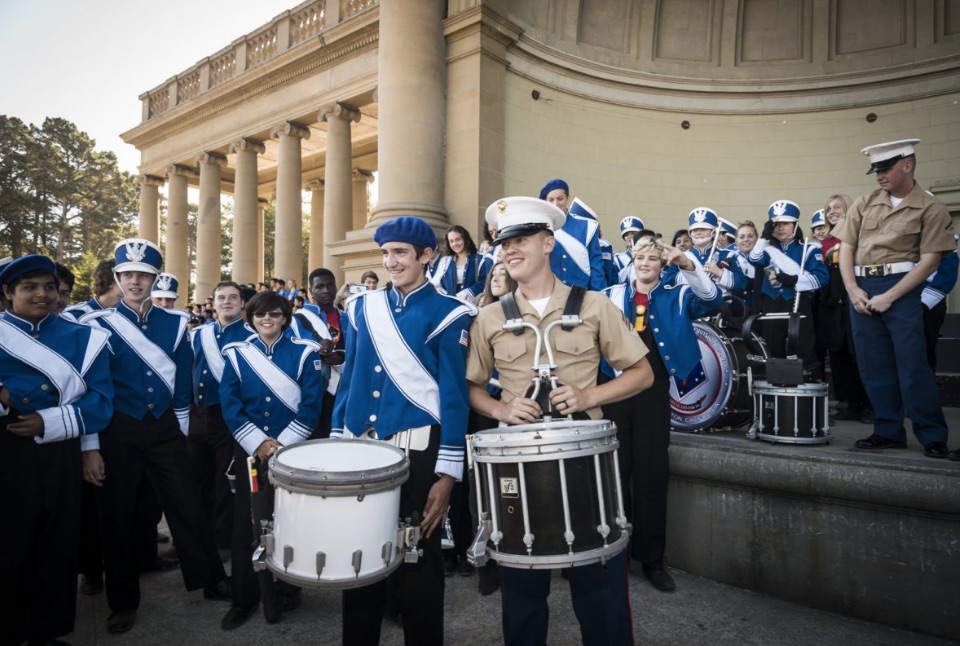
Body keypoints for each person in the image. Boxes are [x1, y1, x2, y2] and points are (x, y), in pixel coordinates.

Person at [467, 196, 654, 646]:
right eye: (502, 242)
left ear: (548, 242)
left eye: (521, 239)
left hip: (582, 465)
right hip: (517, 462)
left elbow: (642, 374)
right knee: (522, 589)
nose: (509, 250)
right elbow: (471, 387)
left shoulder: (593, 305)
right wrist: (500, 409)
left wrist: (590, 395)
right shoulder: (489, 317)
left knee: (599, 584)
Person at [331, 216, 478, 645]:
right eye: (386, 253)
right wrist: (340, 442)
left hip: (419, 451)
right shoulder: (361, 307)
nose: (390, 261)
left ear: (426, 256)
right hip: (362, 449)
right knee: (358, 560)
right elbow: (351, 378)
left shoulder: (453, 314)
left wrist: (448, 472)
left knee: (420, 559)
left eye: (400, 253)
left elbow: (453, 397)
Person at [78, 239, 231, 634]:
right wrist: (91, 446)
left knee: (188, 504)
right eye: (127, 274)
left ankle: (211, 579)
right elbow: (95, 386)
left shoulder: (177, 322)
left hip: (165, 426)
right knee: (117, 515)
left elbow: (181, 380)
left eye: (142, 275)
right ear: (117, 278)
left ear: (153, 278)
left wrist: (179, 427)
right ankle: (123, 602)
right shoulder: (98, 324)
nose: (134, 281)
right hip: (118, 428)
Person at [0, 254, 114, 646]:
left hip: (60, 451)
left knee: (57, 543)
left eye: (48, 287)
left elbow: (100, 400)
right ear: (8, 293)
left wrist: (44, 418)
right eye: (29, 287)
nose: (42, 294)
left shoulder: (84, 337)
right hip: (8, 452)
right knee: (11, 544)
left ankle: (47, 632)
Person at [601, 236, 722, 593]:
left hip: (654, 391)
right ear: (632, 261)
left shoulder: (678, 292)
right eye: (640, 257)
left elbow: (711, 300)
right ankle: (613, 552)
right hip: (615, 389)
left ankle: (652, 559)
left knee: (653, 471)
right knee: (614, 470)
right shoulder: (610, 295)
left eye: (653, 258)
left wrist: (688, 265)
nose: (645, 263)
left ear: (662, 264)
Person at [832, 138, 956, 458]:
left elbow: (930, 260)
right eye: (876, 170)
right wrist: (852, 288)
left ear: (907, 165)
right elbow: (846, 248)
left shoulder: (931, 207)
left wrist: (891, 296)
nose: (879, 176)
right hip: (862, 286)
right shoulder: (864, 202)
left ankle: (932, 434)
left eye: (885, 168)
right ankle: (887, 430)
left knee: (913, 365)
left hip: (901, 286)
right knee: (874, 366)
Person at [218, 291, 324, 629]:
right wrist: (257, 443)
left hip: (290, 450)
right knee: (246, 524)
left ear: (284, 318)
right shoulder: (236, 355)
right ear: (250, 317)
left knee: (290, 521)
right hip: (248, 448)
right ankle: (244, 597)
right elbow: (230, 405)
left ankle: (288, 589)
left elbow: (311, 407)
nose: (268, 320)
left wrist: (280, 445)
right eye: (261, 314)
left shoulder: (305, 353)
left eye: (275, 314)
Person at [189, 281, 253, 557]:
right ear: (213, 303)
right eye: (221, 298)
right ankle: (200, 540)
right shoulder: (199, 334)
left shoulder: (251, 335)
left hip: (228, 418)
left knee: (224, 483)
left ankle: (223, 541)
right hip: (198, 415)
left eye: (232, 298)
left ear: (242, 304)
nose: (226, 302)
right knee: (196, 482)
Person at [748, 200, 829, 369]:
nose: (780, 228)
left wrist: (791, 280)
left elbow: (821, 278)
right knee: (773, 352)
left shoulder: (809, 248)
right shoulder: (767, 250)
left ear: (795, 224)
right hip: (771, 303)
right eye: (775, 225)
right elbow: (754, 259)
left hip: (797, 303)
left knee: (802, 353)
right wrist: (764, 237)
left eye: (785, 223)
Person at [816, 194, 873, 423]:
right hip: (831, 306)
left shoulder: (859, 236)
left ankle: (870, 405)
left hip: (854, 301)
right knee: (838, 355)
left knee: (859, 354)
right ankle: (851, 403)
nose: (831, 212)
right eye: (828, 208)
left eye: (837, 207)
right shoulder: (824, 243)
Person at [297, 267, 347, 438]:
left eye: (330, 285)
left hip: (342, 389)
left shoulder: (346, 318)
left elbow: (355, 351)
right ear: (311, 291)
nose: (326, 290)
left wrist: (340, 358)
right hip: (313, 389)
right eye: (319, 287)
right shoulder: (299, 319)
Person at [539, 178, 608, 291]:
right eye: (551, 200)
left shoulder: (587, 226)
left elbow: (596, 267)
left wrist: (597, 295)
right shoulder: (540, 228)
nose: (556, 204)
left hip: (582, 295)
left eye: (560, 199)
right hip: (550, 294)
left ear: (568, 198)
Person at [429, 224, 489, 303]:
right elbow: (440, 285)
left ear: (465, 239)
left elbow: (485, 281)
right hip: (452, 306)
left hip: (474, 305)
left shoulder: (480, 258)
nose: (455, 244)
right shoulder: (445, 262)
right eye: (451, 241)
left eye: (458, 239)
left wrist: (468, 292)